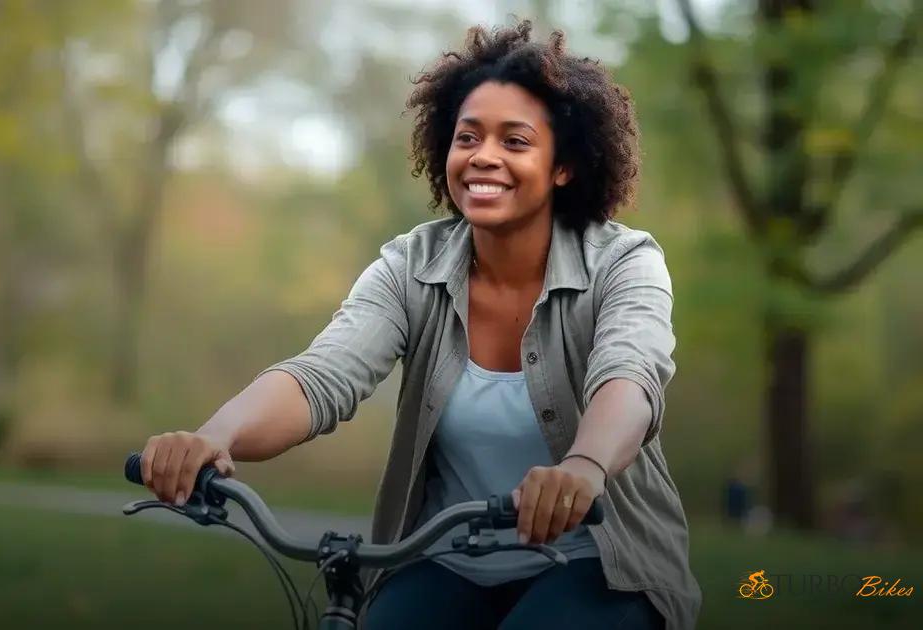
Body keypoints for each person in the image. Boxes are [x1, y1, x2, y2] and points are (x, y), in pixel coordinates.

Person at [137, 20, 701, 630]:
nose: (484, 155)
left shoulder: (624, 262)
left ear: (563, 166)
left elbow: (630, 375)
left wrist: (584, 467)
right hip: (448, 563)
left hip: (600, 561)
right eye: (468, 137)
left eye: (515, 142)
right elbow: (323, 375)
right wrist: (214, 435)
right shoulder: (411, 265)